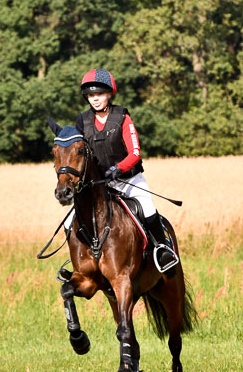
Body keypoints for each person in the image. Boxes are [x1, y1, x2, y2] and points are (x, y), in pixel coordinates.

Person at [75, 68, 178, 273]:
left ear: (109, 94)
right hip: (99, 185)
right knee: (73, 219)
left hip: (128, 180)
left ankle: (163, 251)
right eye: (91, 95)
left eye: (100, 94)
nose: (95, 99)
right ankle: (78, 261)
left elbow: (135, 153)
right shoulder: (82, 121)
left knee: (148, 210)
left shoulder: (122, 116)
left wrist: (118, 168)